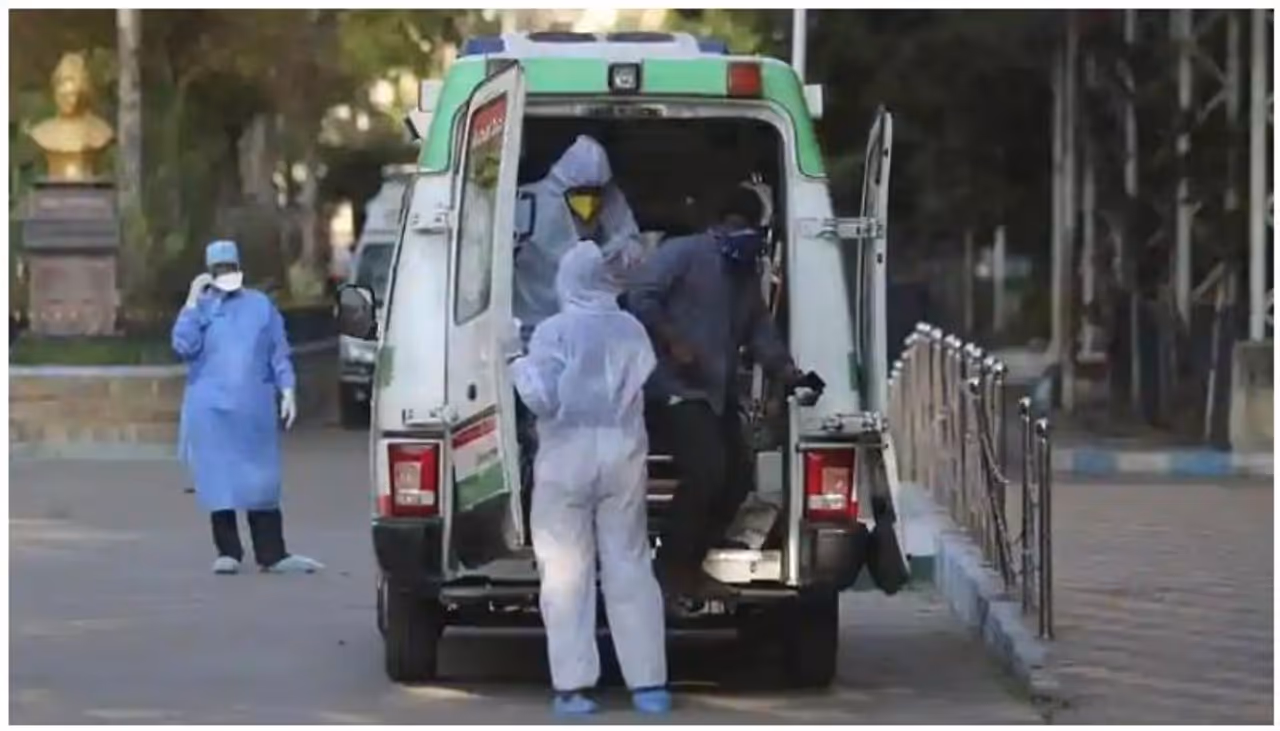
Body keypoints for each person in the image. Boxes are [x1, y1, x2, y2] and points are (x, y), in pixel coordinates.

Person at [627, 188, 821, 600]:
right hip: (673, 389)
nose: (742, 236)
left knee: (737, 477)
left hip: (715, 392)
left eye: (749, 229)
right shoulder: (682, 253)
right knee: (708, 472)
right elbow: (639, 296)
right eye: (736, 227)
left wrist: (788, 372)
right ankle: (671, 567)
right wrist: (672, 340)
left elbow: (760, 331)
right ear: (718, 224)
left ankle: (692, 561)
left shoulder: (744, 275)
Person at [508, 240, 671, 717]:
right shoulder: (632, 330)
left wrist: (515, 363)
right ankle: (649, 684)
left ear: (568, 278)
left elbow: (543, 399)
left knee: (565, 572)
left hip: (565, 458)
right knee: (630, 563)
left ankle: (574, 687)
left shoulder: (553, 332)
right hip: (623, 453)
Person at [512, 135, 643, 528]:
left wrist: (609, 250)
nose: (589, 201)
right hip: (539, 331)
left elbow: (632, 251)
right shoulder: (528, 204)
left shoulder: (605, 203)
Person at [172, 240, 324, 576]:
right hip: (210, 410)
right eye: (219, 269)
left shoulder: (259, 306)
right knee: (218, 479)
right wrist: (192, 302)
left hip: (253, 409)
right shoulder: (202, 308)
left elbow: (278, 351)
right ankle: (228, 550)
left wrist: (287, 388)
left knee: (261, 480)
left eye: (230, 267)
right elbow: (184, 346)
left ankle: (272, 552)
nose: (225, 273)